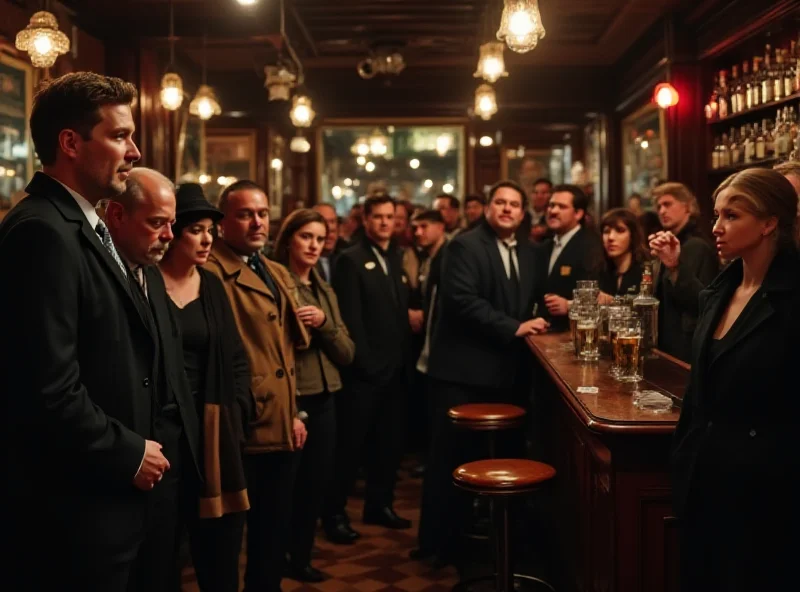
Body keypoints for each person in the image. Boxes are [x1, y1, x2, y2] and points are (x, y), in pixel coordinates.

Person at [0, 72, 169, 592]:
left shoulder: (82, 222)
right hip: (73, 507)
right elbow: (45, 388)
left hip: (105, 500)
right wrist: (129, 452)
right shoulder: (42, 231)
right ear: (70, 143)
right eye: (119, 135)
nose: (135, 150)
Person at [671, 168, 800, 591]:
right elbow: (698, 392)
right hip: (706, 477)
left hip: (766, 490)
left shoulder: (791, 296)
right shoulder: (720, 290)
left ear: (769, 223)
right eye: (716, 214)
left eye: (731, 216)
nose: (716, 228)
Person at [417, 180, 549, 564]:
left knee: (498, 461)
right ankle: (438, 547)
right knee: (449, 461)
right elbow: (461, 301)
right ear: (489, 208)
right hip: (461, 371)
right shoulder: (464, 244)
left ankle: (493, 546)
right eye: (499, 202)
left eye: (514, 204)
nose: (506, 209)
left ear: (523, 213)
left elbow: (529, 299)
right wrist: (515, 327)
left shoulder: (531, 250)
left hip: (506, 372)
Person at [205, 179, 311, 592]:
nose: (256, 223)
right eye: (245, 214)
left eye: (263, 214)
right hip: (242, 422)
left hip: (282, 422)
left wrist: (296, 411)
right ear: (223, 222)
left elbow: (287, 350)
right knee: (227, 539)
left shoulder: (274, 268)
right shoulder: (211, 269)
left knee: (273, 534)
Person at [105, 168, 204, 592]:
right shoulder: (105, 273)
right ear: (116, 215)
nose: (168, 234)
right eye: (155, 222)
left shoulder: (152, 275)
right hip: (124, 463)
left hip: (169, 462)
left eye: (170, 223)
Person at [158, 182, 252, 592]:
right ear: (172, 232)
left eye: (211, 229)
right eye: (196, 229)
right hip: (162, 430)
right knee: (161, 550)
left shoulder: (212, 285)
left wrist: (239, 411)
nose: (207, 238)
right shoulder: (144, 281)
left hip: (213, 429)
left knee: (219, 548)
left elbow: (235, 356)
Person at [323, 193, 412, 543]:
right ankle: (334, 514)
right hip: (365, 375)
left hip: (396, 372)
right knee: (349, 451)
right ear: (365, 220)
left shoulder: (396, 256)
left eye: (390, 216)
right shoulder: (351, 259)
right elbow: (352, 320)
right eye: (378, 217)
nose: (385, 222)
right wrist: (368, 366)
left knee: (388, 447)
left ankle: (380, 504)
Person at [272, 209, 355, 582]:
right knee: (285, 488)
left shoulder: (324, 286)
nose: (313, 245)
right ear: (289, 238)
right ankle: (279, 558)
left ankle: (301, 557)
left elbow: (347, 352)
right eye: (306, 236)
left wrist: (324, 324)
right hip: (293, 397)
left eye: (320, 239)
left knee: (316, 485)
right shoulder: (277, 281)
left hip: (326, 395)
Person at [648, 182, 719, 361]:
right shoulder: (670, 243)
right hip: (668, 345)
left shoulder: (696, 246)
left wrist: (674, 267)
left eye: (668, 204)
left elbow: (702, 302)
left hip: (686, 348)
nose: (662, 211)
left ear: (687, 206)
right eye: (659, 206)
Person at [538, 184, 605, 331]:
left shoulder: (591, 245)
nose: (553, 211)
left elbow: (597, 295)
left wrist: (569, 305)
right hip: (543, 333)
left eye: (561, 207)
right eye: (551, 205)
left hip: (575, 334)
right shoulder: (545, 245)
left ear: (578, 214)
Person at [597, 208, 648, 302]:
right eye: (606, 231)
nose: (611, 237)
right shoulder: (601, 272)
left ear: (632, 235)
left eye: (620, 230)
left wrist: (613, 302)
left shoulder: (646, 271)